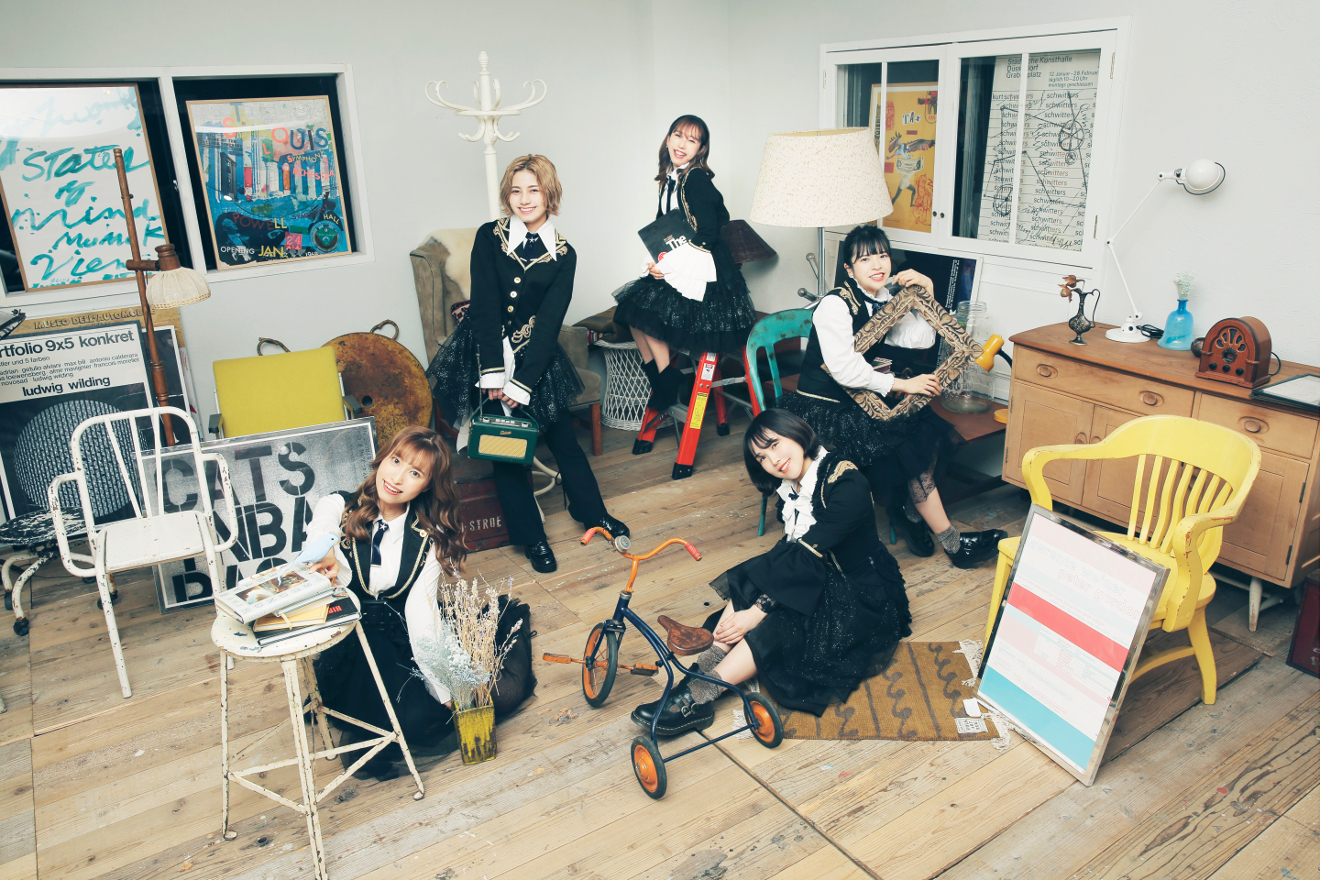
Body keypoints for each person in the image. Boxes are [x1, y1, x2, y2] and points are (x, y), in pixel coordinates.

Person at [631, 409, 911, 735]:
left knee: (779, 622)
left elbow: (809, 554)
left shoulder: (846, 482)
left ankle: (698, 698)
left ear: (797, 433)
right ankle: (698, 676)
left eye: (775, 444)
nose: (773, 460)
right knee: (756, 574)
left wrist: (758, 611)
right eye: (762, 457)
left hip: (857, 594)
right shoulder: (793, 485)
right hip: (816, 571)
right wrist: (755, 600)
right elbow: (790, 555)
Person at [427, 155, 629, 573]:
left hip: (537, 360)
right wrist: (493, 374)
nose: (524, 199)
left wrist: (522, 383)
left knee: (564, 443)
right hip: (485, 354)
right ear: (507, 196)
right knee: (506, 450)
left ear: (549, 194)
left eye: (533, 190)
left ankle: (593, 513)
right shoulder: (489, 236)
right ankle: (531, 537)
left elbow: (550, 323)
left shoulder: (565, 254)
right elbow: (484, 306)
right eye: (516, 190)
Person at [307, 426, 535, 779]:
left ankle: (495, 646)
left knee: (488, 699)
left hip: (402, 634)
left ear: (427, 484)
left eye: (415, 473)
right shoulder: (339, 505)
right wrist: (324, 550)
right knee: (405, 719)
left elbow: (421, 615)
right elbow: (321, 526)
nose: (398, 478)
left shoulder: (428, 537)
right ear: (382, 459)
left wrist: (446, 688)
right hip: (353, 639)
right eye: (396, 461)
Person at [780, 224, 1006, 568]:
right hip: (826, 409)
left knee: (923, 427)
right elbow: (844, 371)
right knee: (905, 441)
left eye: (882, 256)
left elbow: (920, 339)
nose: (877, 265)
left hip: (864, 399)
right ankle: (950, 540)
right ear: (848, 269)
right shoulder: (834, 305)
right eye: (865, 259)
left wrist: (927, 293)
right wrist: (903, 385)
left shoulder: (886, 299)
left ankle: (914, 515)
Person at [612, 114, 757, 428]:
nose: (682, 144)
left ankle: (666, 379)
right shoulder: (670, 179)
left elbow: (707, 234)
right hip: (683, 261)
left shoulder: (696, 179)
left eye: (692, 140)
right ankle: (663, 379)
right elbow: (664, 231)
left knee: (646, 313)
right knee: (631, 311)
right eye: (678, 135)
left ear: (701, 149)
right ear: (668, 139)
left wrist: (669, 266)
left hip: (708, 271)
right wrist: (655, 262)